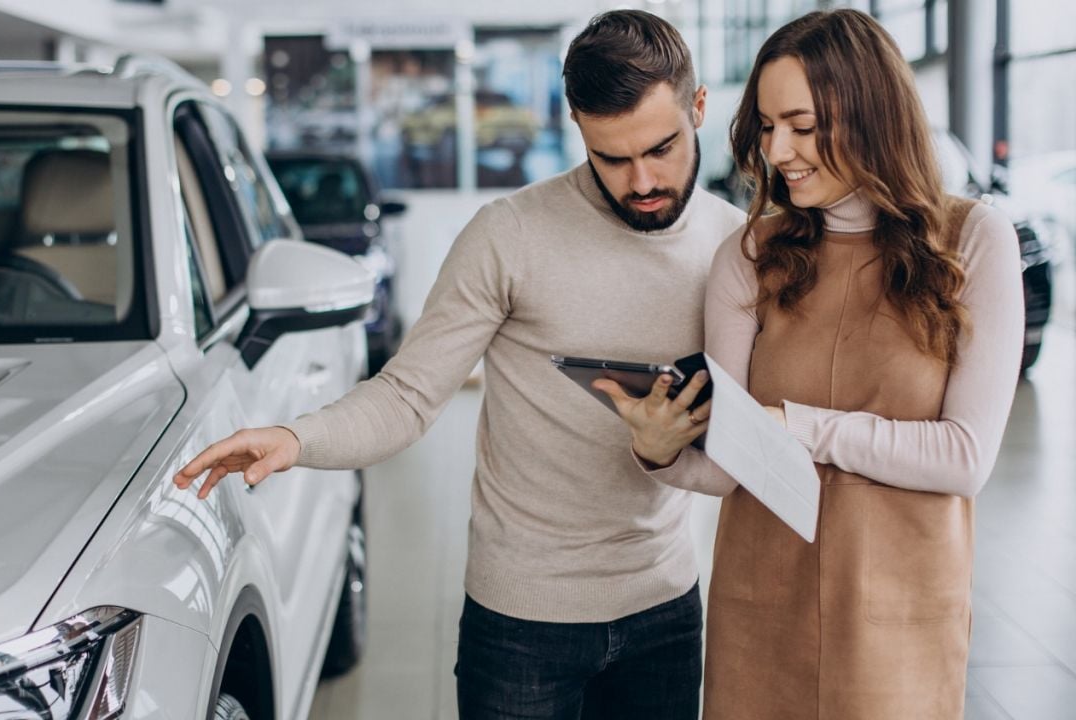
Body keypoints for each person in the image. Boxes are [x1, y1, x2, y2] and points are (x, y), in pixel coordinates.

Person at [174, 10, 744, 719]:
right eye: (611, 158)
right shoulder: (508, 235)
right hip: (522, 621)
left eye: (661, 148)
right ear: (576, 127)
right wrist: (297, 440)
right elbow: (408, 395)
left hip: (666, 608)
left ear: (699, 108)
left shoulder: (736, 247)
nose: (641, 181)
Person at [596, 9, 1023, 719]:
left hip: (900, 622)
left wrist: (797, 425)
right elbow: (729, 461)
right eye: (766, 127)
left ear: (871, 114)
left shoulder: (974, 241)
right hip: (761, 608)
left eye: (802, 124)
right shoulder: (750, 255)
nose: (779, 150)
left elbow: (964, 458)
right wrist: (659, 449)